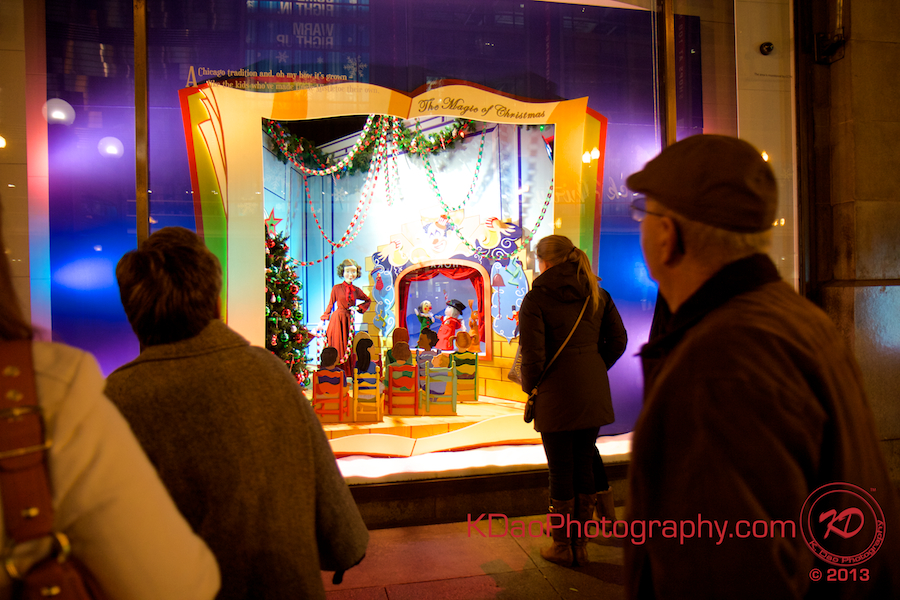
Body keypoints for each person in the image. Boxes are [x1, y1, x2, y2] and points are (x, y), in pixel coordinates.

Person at [624, 134, 900, 599]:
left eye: (643, 214)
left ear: (668, 236)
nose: (641, 228)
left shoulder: (719, 362)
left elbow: (727, 571)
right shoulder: (793, 317)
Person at [105, 227, 369, 600]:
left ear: (133, 314)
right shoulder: (268, 372)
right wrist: (342, 547)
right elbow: (337, 518)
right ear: (214, 301)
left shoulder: (117, 398)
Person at [0, 215, 220, 599]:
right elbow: (178, 585)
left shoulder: (110, 392)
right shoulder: (53, 390)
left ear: (131, 311)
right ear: (214, 300)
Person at [518, 234, 628, 567]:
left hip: (555, 393)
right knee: (583, 463)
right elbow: (618, 340)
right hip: (592, 392)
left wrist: (531, 388)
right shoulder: (598, 293)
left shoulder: (536, 299)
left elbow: (533, 357)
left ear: (544, 262)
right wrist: (593, 367)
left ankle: (562, 545)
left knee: (560, 470)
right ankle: (580, 544)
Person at [322, 259, 371, 375]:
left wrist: (358, 308)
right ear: (342, 272)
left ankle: (346, 373)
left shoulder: (356, 290)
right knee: (336, 345)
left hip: (348, 320)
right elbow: (330, 304)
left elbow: (367, 300)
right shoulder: (336, 288)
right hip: (337, 320)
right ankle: (333, 372)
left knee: (347, 347)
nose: (350, 275)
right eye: (347, 271)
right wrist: (323, 319)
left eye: (353, 272)